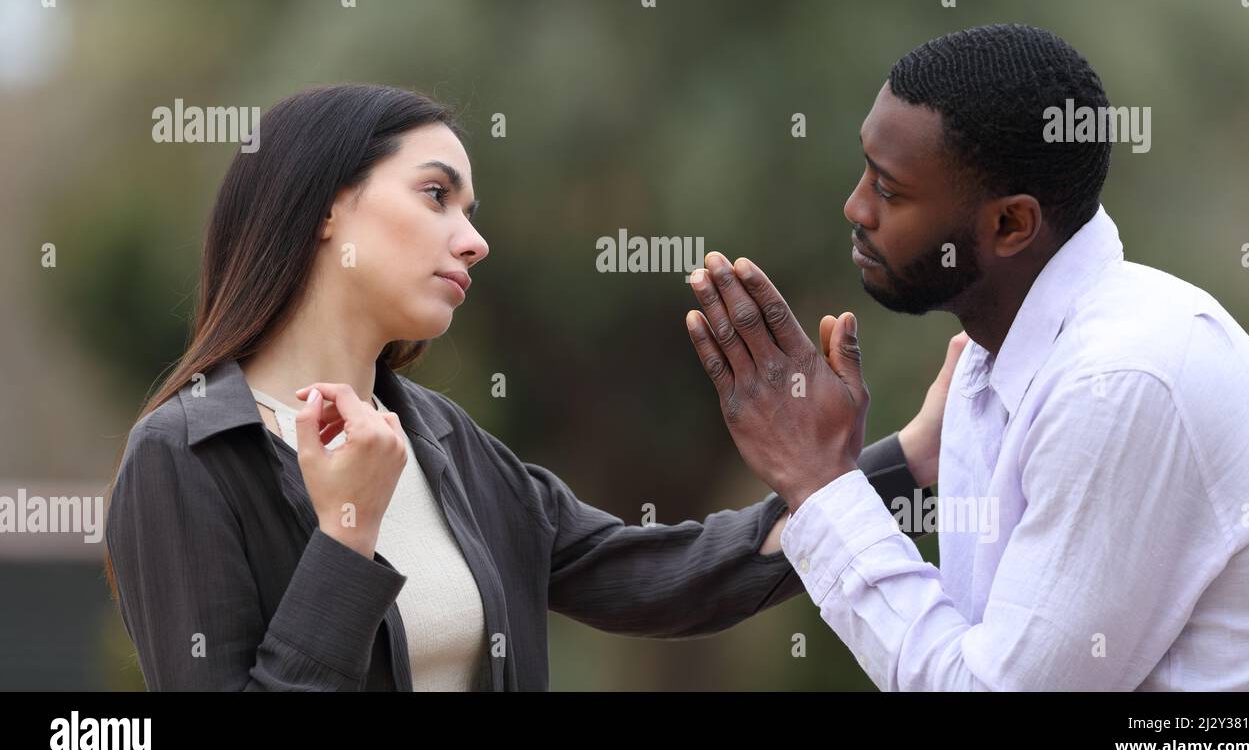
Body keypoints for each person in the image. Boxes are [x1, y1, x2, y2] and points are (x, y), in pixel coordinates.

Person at [104, 82, 955, 691]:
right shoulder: (186, 457)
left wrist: (906, 457)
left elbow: (672, 573)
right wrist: (348, 532)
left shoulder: (444, 442)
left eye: (470, 210)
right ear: (327, 208)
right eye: (437, 195)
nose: (472, 240)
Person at [684, 24, 1249, 690]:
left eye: (890, 190)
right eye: (866, 168)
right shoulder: (993, 364)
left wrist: (819, 482)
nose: (855, 206)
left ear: (1011, 225)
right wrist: (859, 469)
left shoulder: (1119, 384)